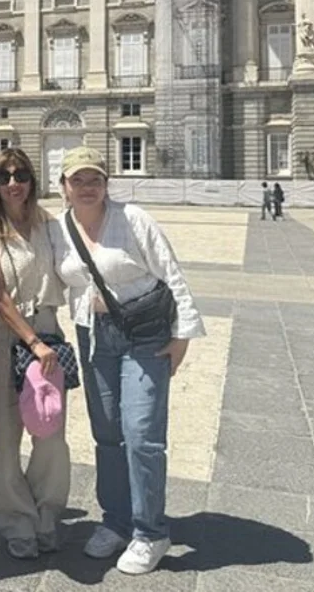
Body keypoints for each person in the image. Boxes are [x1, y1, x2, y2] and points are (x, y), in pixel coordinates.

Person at [55, 147, 204, 575]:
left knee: (141, 434)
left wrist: (182, 336)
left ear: (106, 183)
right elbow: (43, 270)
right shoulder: (58, 229)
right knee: (107, 434)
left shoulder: (133, 218)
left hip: (145, 334)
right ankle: (116, 521)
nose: (86, 187)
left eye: (94, 179)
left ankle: (150, 531)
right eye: (77, 179)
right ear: (63, 186)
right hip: (92, 335)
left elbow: (171, 272)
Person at [0, 148, 70, 560]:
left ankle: (47, 513)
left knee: (50, 432)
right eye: (4, 176)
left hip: (48, 330)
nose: (14, 183)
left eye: (21, 174)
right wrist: (32, 341)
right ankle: (17, 520)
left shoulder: (50, 225)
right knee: (5, 435)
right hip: (3, 339)